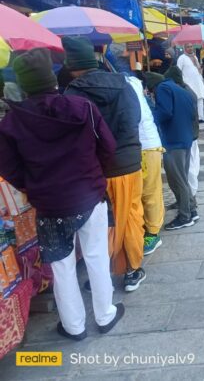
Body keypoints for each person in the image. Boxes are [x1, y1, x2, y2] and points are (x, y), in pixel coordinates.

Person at [0, 48, 124, 340]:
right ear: (52, 78)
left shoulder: (11, 124)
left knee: (61, 265)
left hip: (49, 206)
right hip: (89, 197)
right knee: (96, 256)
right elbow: (108, 148)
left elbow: (9, 167)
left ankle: (73, 326)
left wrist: (32, 185)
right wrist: (95, 176)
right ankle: (105, 315)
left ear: (23, 84)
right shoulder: (82, 108)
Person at [62, 36, 146, 292]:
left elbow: (72, 135)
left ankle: (103, 274)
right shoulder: (122, 83)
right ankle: (132, 269)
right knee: (131, 214)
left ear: (72, 66)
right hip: (129, 161)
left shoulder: (72, 93)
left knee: (104, 221)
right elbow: (135, 118)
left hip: (97, 167)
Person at [146, 72, 199, 229]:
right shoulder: (180, 88)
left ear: (152, 87)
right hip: (186, 138)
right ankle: (191, 208)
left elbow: (165, 112)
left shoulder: (162, 88)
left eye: (151, 92)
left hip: (174, 141)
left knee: (177, 180)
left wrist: (149, 118)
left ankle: (185, 216)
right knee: (182, 177)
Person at [126, 72, 165, 256]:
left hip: (146, 145)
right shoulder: (130, 85)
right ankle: (144, 227)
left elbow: (137, 117)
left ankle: (153, 232)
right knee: (139, 192)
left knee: (150, 191)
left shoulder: (129, 86)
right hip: (135, 146)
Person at [163, 66, 201, 197]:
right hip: (189, 135)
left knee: (189, 171)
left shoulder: (183, 92)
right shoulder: (186, 90)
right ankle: (187, 201)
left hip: (188, 137)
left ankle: (191, 205)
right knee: (187, 171)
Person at [177, 44, 204, 123]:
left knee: (200, 99)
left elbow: (198, 69)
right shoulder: (182, 58)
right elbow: (178, 71)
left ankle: (200, 117)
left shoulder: (195, 57)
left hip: (198, 81)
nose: (190, 48)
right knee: (192, 100)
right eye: (188, 47)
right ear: (184, 48)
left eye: (191, 46)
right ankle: (193, 118)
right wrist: (183, 82)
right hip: (189, 83)